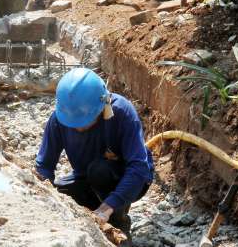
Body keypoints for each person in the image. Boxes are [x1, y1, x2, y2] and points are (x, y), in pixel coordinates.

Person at [35, 68, 155, 238]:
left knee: (99, 171)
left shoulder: (122, 113)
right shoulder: (61, 118)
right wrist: (39, 193)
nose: (78, 127)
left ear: (103, 106)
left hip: (124, 177)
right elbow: (44, 166)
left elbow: (138, 169)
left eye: (84, 120)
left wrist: (107, 208)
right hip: (86, 175)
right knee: (58, 194)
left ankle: (118, 222)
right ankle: (94, 208)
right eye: (72, 123)